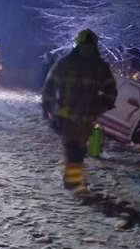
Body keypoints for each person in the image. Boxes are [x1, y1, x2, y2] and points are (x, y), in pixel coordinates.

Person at [41, 29, 117, 190]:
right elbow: (111, 93)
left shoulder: (65, 63)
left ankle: (72, 182)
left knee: (73, 150)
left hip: (66, 116)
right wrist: (100, 107)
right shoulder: (100, 67)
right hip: (85, 118)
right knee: (77, 150)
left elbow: (49, 86)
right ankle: (73, 182)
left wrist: (47, 109)